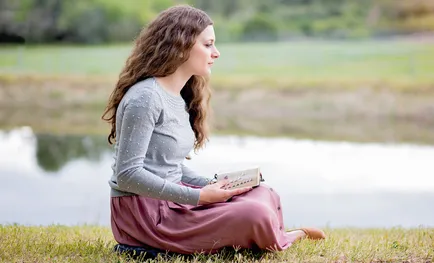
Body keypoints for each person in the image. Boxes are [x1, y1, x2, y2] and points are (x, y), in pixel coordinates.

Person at [101, 4, 326, 255]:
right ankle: (289, 236)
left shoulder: (177, 96)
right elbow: (127, 175)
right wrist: (199, 197)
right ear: (181, 44)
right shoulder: (145, 98)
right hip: (147, 216)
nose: (216, 53)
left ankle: (271, 234)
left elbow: (168, 166)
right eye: (208, 44)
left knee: (263, 193)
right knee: (254, 213)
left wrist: (216, 185)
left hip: (171, 202)